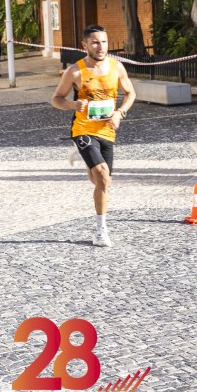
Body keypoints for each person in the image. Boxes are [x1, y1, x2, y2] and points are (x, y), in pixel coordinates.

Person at [51, 24, 136, 248]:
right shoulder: (75, 71)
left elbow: (130, 93)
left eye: (104, 42)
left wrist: (120, 113)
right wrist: (73, 104)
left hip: (107, 129)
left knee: (103, 182)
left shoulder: (117, 68)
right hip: (83, 128)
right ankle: (101, 231)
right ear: (85, 45)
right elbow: (56, 99)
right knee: (102, 175)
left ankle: (86, 159)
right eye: (96, 42)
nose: (101, 47)